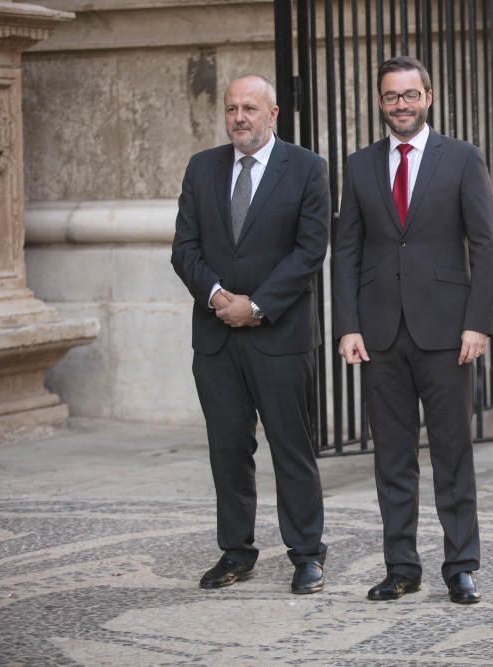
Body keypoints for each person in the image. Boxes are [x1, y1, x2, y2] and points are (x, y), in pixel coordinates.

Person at [332, 56, 493, 605]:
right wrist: (347, 325)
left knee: (453, 453)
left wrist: (479, 322)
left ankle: (461, 565)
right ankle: (401, 565)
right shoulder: (359, 167)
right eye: (390, 96)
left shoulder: (462, 158)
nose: (400, 105)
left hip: (447, 332)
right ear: (380, 102)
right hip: (380, 333)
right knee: (392, 457)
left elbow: (487, 243)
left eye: (409, 94)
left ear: (428, 97)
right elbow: (347, 252)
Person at [171, 74, 331, 595]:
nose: (240, 117)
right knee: (227, 449)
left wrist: (256, 306)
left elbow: (310, 250)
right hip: (216, 338)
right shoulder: (202, 167)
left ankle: (307, 553)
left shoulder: (307, 169)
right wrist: (218, 297)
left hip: (278, 337)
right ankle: (236, 551)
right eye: (232, 108)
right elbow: (184, 247)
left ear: (273, 114)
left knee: (292, 447)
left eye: (250, 108)